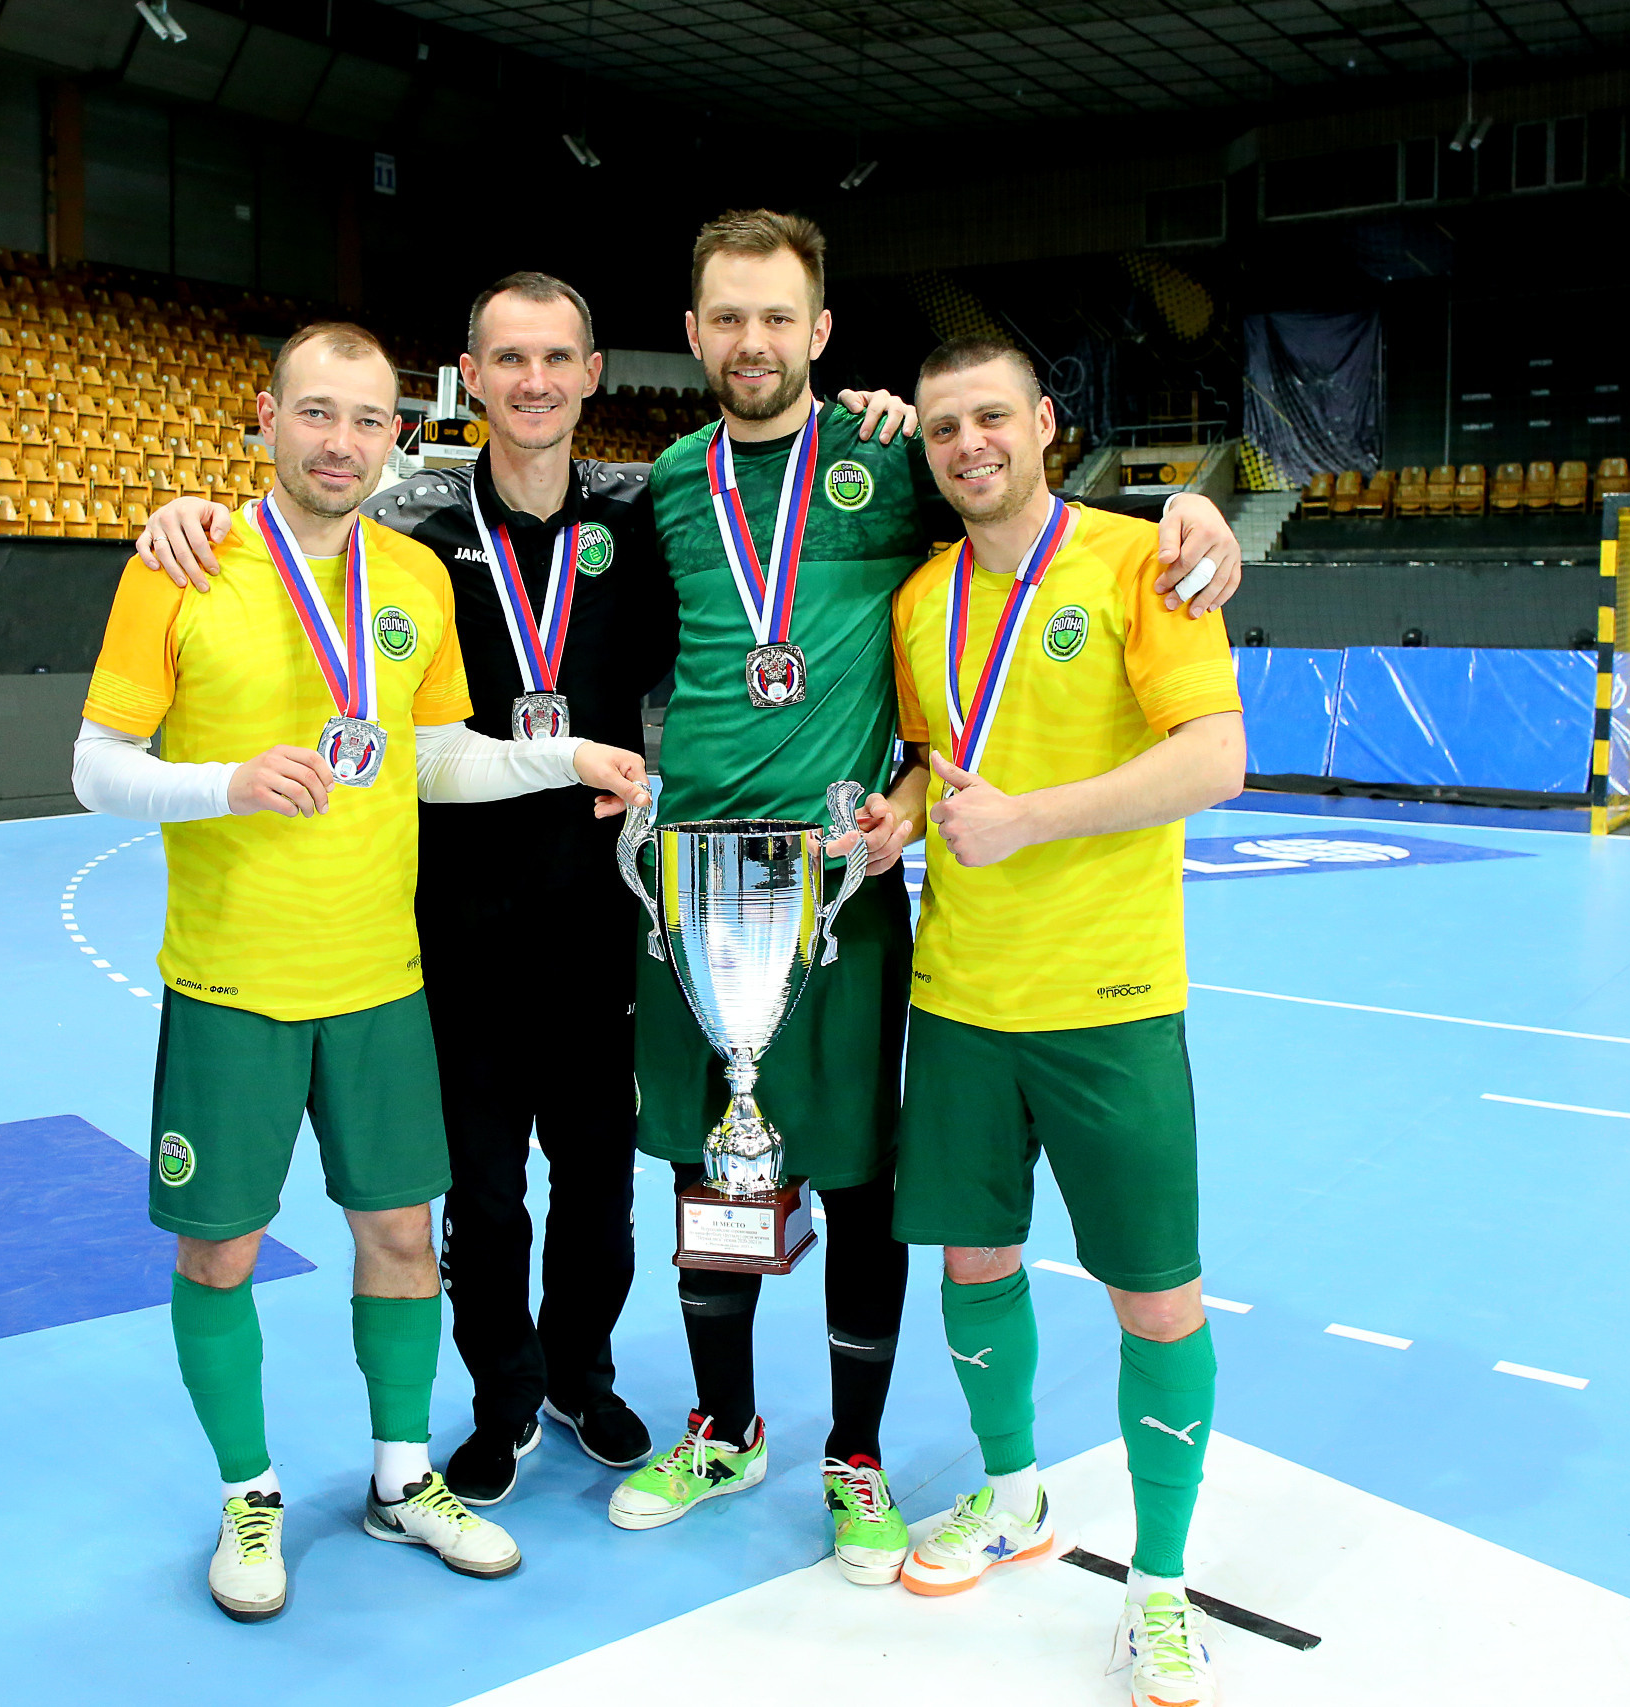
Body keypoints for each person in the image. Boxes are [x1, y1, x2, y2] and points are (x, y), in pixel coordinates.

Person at [130, 277, 921, 1509]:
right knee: (482, 1196)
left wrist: (878, 411)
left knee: (600, 1186)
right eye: (509, 359)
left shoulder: (647, 510)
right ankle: (501, 1400)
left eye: (557, 357)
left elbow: (748, 617)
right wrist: (189, 514)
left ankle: (584, 1378)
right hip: (456, 922)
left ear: (594, 370)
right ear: (470, 376)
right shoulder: (410, 522)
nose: (535, 381)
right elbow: (296, 516)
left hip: (618, 918)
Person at [613, 210, 1242, 1593]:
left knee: (857, 1174)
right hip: (701, 890)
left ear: (823, 334)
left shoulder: (889, 461)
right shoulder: (664, 483)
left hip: (840, 901)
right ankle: (721, 1422)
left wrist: (1186, 512)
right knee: (715, 1164)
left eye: (779, 316)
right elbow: (636, 648)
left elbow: (1025, 528)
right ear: (696, 329)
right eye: (727, 317)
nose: (753, 340)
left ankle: (856, 1454)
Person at [72, 320, 650, 1622]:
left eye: (368, 419)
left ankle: (399, 1478)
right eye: (316, 413)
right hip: (231, 981)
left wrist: (568, 758)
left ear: (401, 435)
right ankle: (250, 1496)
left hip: (383, 977)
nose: (341, 441)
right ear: (265, 420)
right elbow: (96, 762)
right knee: (219, 1252)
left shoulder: (411, 573)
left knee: (400, 1237)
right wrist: (224, 782)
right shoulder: (186, 561)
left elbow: (433, 755)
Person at [855, 335, 1244, 1706]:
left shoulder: (1147, 559)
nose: (969, 443)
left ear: (1045, 425)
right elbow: (930, 762)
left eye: (993, 418)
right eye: (946, 425)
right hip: (962, 998)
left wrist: (1029, 818)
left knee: (1156, 1288)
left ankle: (1162, 1580)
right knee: (976, 1259)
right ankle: (1013, 1492)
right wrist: (890, 820)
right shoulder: (917, 599)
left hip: (1113, 1001)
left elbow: (1216, 754)